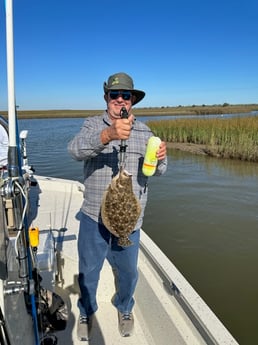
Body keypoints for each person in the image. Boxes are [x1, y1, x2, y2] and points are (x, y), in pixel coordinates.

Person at [68, 72, 167, 341]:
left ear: (132, 100)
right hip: (93, 218)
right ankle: (86, 311)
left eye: (126, 96)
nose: (120, 100)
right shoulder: (91, 125)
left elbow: (159, 172)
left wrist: (160, 158)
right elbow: (74, 151)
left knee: (129, 271)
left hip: (130, 221)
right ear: (106, 98)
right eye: (115, 95)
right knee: (89, 269)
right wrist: (107, 135)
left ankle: (125, 308)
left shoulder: (145, 132)